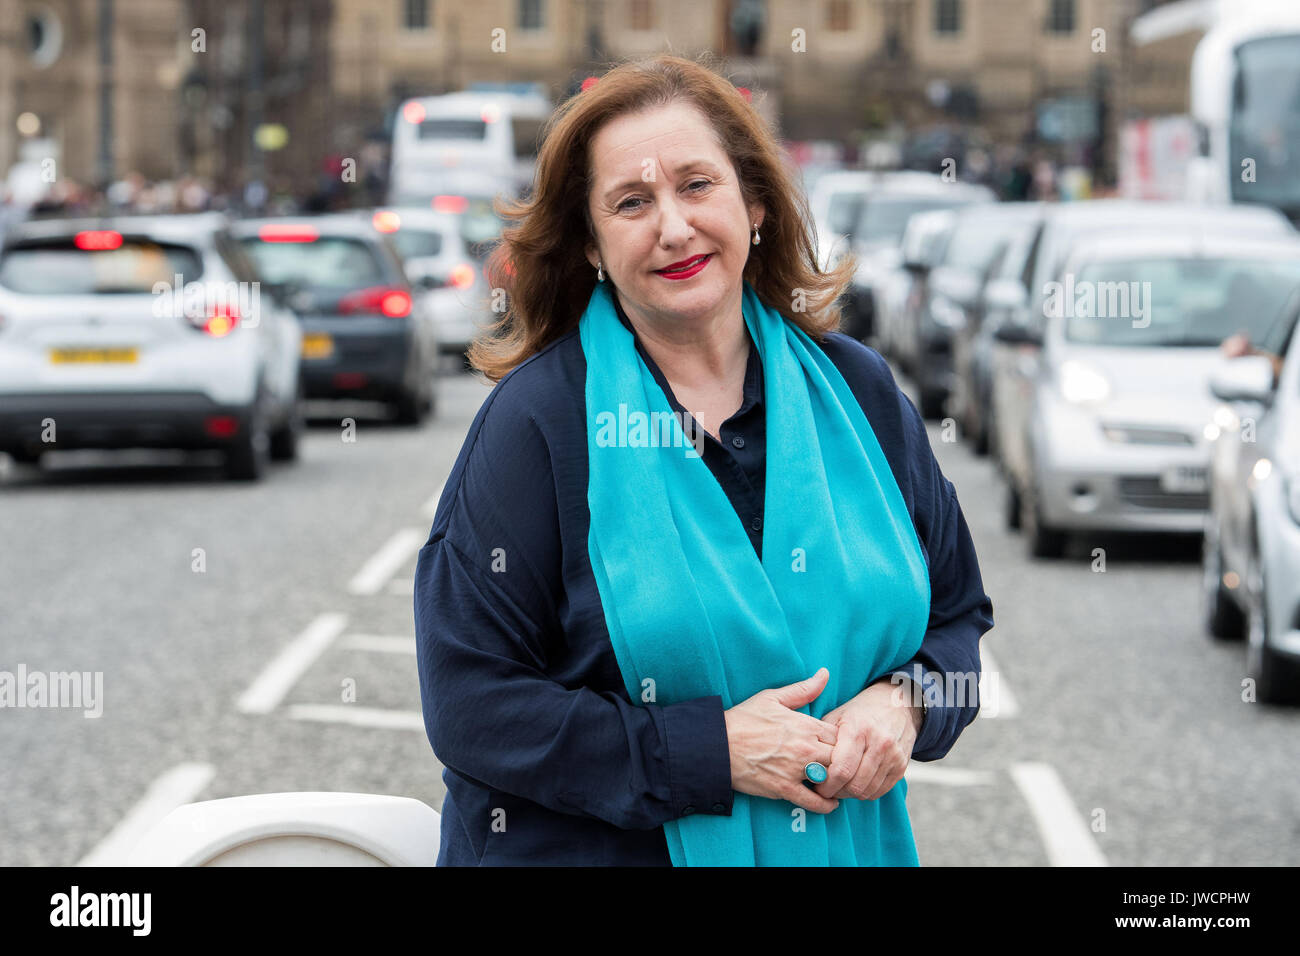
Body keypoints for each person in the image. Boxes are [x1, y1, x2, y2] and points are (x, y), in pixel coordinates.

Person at [413, 53, 994, 866]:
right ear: (589, 245)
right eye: (631, 202)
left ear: (754, 202)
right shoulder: (537, 425)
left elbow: (959, 617)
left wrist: (910, 703)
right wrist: (708, 754)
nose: (674, 227)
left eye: (696, 185)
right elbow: (470, 705)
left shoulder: (860, 393)